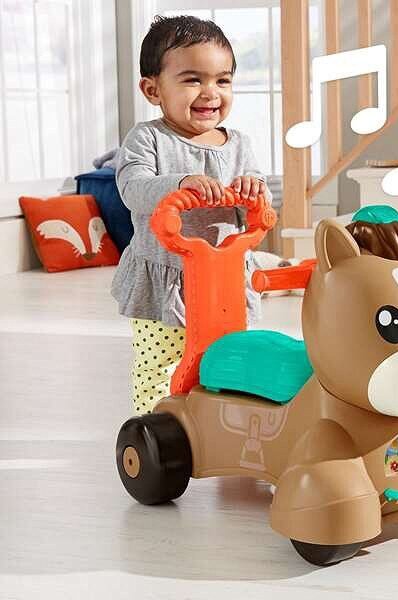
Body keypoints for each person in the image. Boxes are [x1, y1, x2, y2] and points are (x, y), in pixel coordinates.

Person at [111, 15, 269, 413]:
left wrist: (254, 190)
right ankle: (154, 425)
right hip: (167, 279)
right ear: (153, 90)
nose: (210, 92)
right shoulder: (148, 138)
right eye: (193, 80)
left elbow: (257, 201)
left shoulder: (239, 144)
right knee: (160, 365)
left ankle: (223, 421)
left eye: (223, 80)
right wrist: (180, 184)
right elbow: (132, 188)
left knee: (232, 356)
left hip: (226, 280)